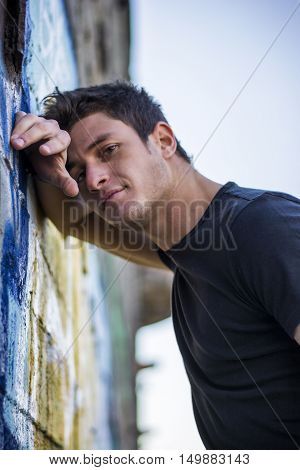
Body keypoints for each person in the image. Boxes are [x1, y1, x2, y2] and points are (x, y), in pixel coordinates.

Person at [10, 81, 300, 450]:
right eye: (80, 171)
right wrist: (49, 166)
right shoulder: (188, 251)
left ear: (163, 140)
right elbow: (74, 221)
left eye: (109, 150)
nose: (94, 180)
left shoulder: (261, 227)